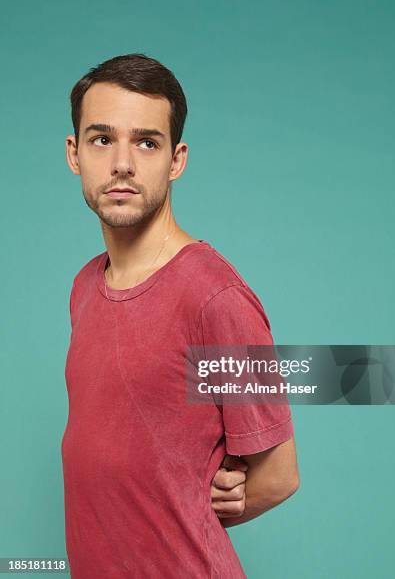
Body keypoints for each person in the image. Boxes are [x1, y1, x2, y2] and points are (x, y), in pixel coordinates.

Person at [62, 53, 300, 578]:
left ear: (177, 160)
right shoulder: (84, 287)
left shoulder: (215, 299)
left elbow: (278, 476)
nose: (123, 162)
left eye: (147, 142)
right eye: (102, 139)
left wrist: (188, 505)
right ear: (74, 153)